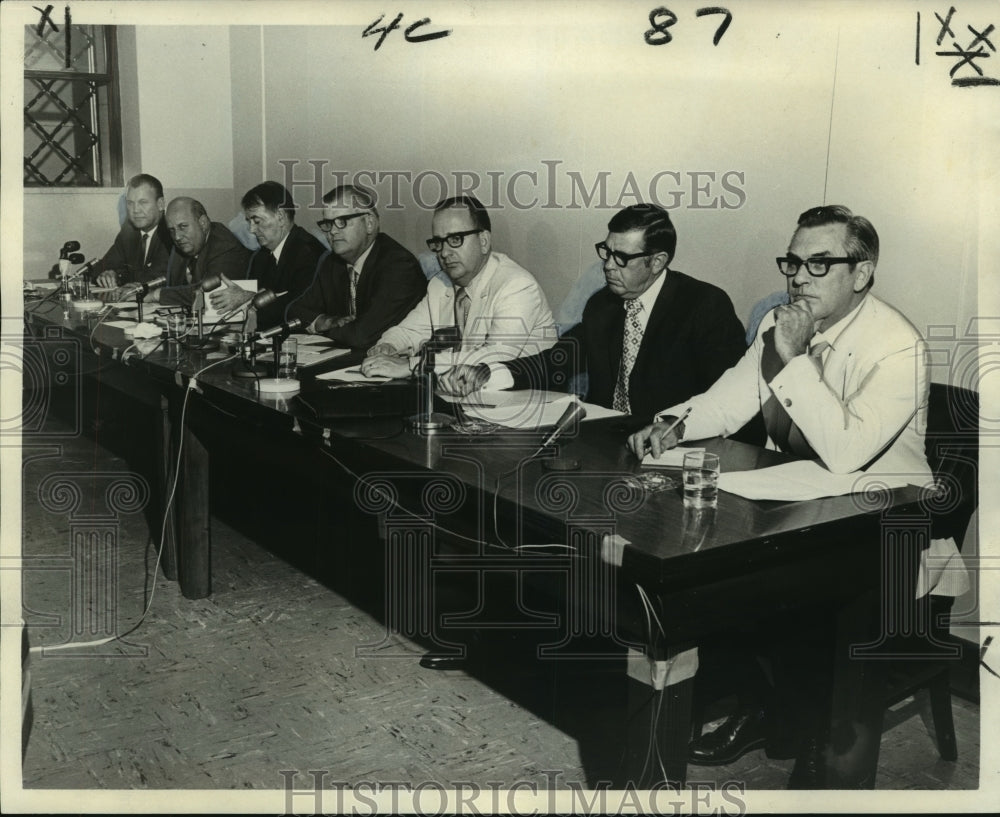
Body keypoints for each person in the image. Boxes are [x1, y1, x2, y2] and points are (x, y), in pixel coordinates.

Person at [626, 204, 967, 787]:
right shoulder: (780, 325)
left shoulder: (898, 344)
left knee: (825, 601)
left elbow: (846, 451)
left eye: (819, 263)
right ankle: (769, 708)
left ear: (861, 273)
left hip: (886, 524)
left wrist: (789, 358)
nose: (799, 277)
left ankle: (825, 743)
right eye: (793, 262)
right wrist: (675, 423)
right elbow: (726, 400)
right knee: (709, 567)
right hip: (800, 506)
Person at [438, 203, 747, 420]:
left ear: (657, 262)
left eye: (622, 257)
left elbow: (728, 400)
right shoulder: (603, 305)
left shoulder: (704, 306)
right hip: (607, 445)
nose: (608, 265)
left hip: (674, 453)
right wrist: (489, 372)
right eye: (606, 251)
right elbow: (557, 361)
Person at [360, 195, 555, 378]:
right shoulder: (440, 284)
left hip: (523, 400)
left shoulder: (516, 285)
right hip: (460, 395)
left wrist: (412, 365)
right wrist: (387, 347)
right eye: (438, 242)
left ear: (484, 241)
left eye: (455, 240)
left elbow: (495, 356)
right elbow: (410, 331)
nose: (444, 252)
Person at [286, 184, 426, 349]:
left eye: (342, 222)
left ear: (369, 223)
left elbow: (360, 336)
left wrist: (327, 330)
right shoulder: (332, 262)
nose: (332, 231)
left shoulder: (399, 265)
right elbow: (294, 312)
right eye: (328, 223)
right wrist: (326, 321)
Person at [208, 181, 326, 329]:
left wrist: (249, 298)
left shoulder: (311, 253)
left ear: (281, 217)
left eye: (257, 221)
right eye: (249, 221)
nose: (251, 229)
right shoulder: (260, 257)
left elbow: (300, 310)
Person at [141, 197, 250, 308]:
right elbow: (161, 274)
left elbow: (208, 293)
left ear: (203, 223)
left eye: (183, 226)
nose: (177, 236)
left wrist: (156, 295)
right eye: (172, 230)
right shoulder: (185, 242)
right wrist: (140, 288)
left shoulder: (225, 247)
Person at [94, 174, 173, 288]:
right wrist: (108, 274)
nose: (135, 210)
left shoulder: (172, 232)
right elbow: (101, 267)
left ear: (160, 204)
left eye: (143, 202)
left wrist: (119, 276)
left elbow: (154, 278)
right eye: (130, 203)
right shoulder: (129, 232)